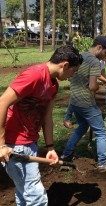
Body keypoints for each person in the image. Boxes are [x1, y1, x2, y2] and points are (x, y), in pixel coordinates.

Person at [0, 45, 83, 205]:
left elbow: (47, 117)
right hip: (14, 145)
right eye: (73, 71)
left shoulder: (53, 85)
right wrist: (1, 144)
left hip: (29, 142)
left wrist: (50, 147)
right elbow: (2, 102)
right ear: (65, 65)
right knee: (36, 197)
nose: (72, 75)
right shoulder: (34, 75)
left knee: (25, 194)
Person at [61, 35, 106, 172]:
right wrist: (99, 86)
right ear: (99, 47)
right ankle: (103, 163)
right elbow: (92, 86)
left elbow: (76, 80)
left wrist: (68, 114)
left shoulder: (79, 57)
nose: (105, 56)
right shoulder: (94, 62)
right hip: (87, 103)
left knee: (82, 126)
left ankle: (66, 157)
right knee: (101, 132)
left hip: (75, 101)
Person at [63, 52, 106, 129]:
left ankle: (86, 117)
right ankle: (67, 118)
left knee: (89, 98)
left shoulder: (102, 62)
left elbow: (102, 73)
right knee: (76, 98)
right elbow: (98, 75)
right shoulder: (96, 61)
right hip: (83, 81)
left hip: (91, 81)